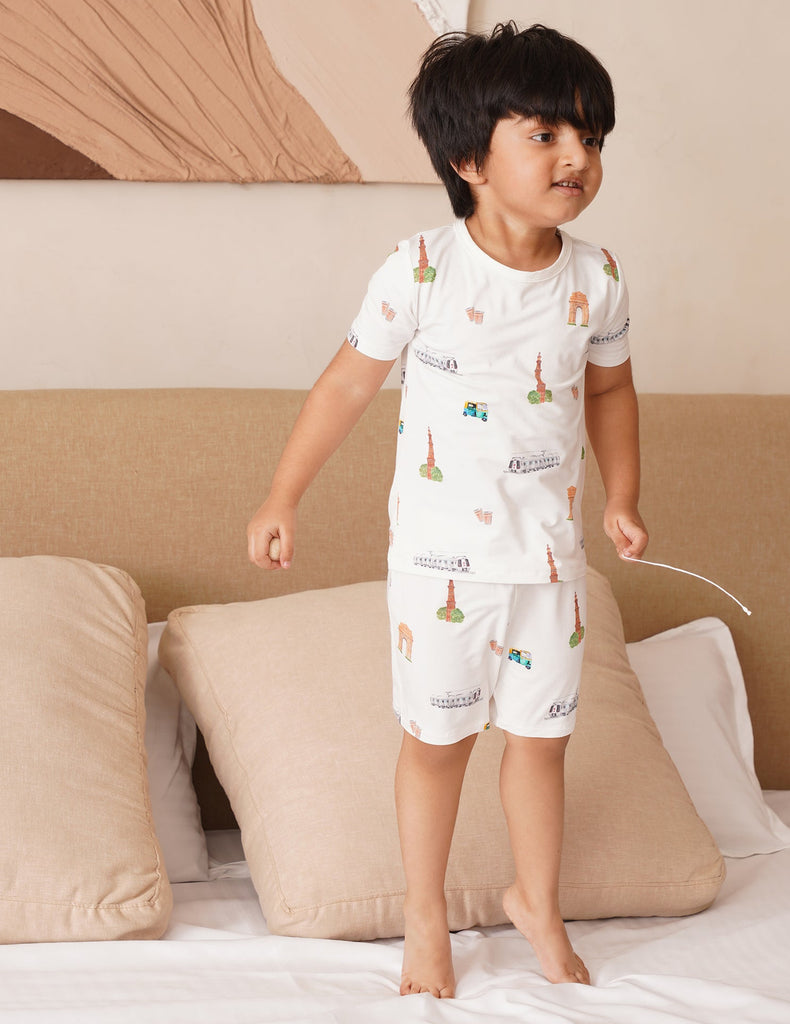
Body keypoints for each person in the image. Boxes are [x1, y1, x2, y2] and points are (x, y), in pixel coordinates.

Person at [247, 21, 648, 999]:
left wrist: (623, 498)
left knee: (542, 742)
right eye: (546, 135)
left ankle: (533, 901)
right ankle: (424, 919)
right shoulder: (423, 268)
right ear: (469, 159)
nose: (575, 158)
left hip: (546, 563)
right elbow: (344, 387)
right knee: (438, 745)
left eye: (590, 137)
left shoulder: (593, 279)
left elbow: (609, 394)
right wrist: (281, 494)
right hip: (441, 568)